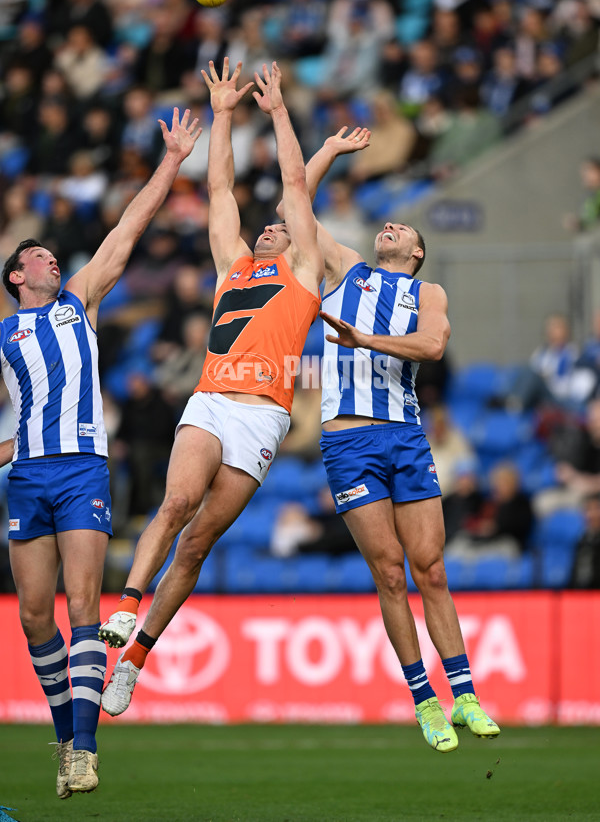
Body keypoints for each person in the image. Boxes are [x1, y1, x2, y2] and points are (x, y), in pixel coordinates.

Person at [98, 60, 324, 715]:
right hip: (212, 399)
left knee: (197, 542)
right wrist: (222, 114)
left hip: (261, 419)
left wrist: (278, 112)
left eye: (279, 228)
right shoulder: (235, 267)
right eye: (267, 227)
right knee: (176, 503)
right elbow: (220, 187)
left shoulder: (303, 274)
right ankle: (127, 606)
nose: (269, 229)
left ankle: (133, 663)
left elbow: (293, 181)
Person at [0, 106, 202, 798]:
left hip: (82, 467)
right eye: (35, 254)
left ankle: (83, 750)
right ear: (16, 277)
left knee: (83, 603)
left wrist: (172, 161)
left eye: (51, 253)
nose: (49, 256)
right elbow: (20, 422)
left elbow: (129, 229)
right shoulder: (6, 334)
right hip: (28, 474)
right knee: (33, 613)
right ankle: (66, 736)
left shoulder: (78, 301)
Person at [294, 127, 500, 751]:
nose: (390, 229)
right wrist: (327, 151)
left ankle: (464, 693)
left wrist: (365, 343)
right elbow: (289, 205)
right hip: (349, 442)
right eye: (386, 226)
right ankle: (424, 700)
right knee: (389, 573)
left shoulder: (427, 293)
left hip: (405, 436)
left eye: (402, 231)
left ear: (415, 252)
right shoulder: (347, 270)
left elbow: (433, 347)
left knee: (430, 568)